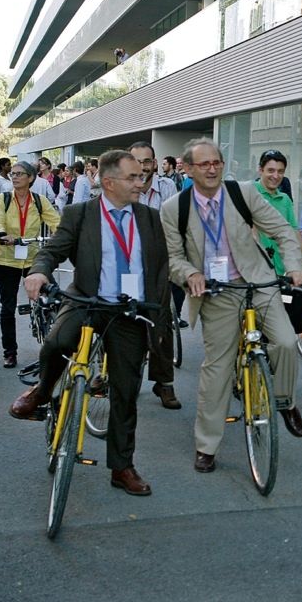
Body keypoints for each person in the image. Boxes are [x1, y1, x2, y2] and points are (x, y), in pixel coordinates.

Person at [8, 150, 170, 497]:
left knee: (126, 391)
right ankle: (42, 391)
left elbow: (161, 267)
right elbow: (53, 249)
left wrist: (158, 311)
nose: (140, 183)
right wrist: (39, 271)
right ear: (109, 183)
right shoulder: (80, 214)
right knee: (56, 342)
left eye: (141, 176)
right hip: (87, 301)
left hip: (128, 310)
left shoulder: (149, 218)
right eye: (132, 178)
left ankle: (122, 467)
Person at [160, 138, 302, 474]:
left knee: (286, 342)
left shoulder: (243, 193)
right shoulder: (174, 209)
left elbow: (282, 230)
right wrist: (190, 273)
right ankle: (206, 445)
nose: (212, 169)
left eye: (217, 162)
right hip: (216, 292)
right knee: (218, 368)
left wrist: (294, 264)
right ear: (188, 169)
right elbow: (171, 258)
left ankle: (285, 401)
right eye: (204, 164)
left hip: (257, 282)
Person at [0, 161, 60, 369]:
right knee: (7, 307)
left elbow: (55, 221)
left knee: (52, 297)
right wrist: (2, 235)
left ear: (30, 178)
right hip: (7, 259)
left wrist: (61, 235)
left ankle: (51, 338)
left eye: (20, 174)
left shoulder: (39, 201)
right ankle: (9, 352)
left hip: (33, 258)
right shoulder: (3, 199)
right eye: (13, 174)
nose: (15, 177)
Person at [128, 141, 182, 409]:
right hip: (127, 264)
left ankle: (164, 383)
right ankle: (106, 373)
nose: (142, 167)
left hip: (159, 264)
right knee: (116, 316)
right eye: (136, 161)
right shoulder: (122, 185)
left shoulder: (168, 188)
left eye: (147, 161)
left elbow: (174, 226)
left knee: (161, 324)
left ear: (154, 162)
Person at [254, 149, 302, 276]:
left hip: (279, 267)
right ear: (260, 170)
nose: (276, 176)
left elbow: (293, 229)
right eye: (271, 170)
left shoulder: (285, 199)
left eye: (280, 171)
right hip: (254, 269)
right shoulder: (250, 192)